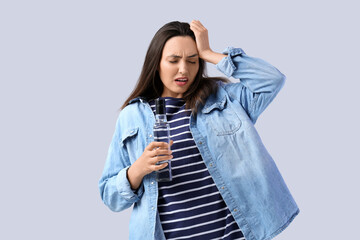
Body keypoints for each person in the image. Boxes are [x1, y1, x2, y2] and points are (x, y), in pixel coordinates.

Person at [99, 20, 299, 240]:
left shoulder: (226, 99)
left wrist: (209, 52)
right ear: (156, 63)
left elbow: (272, 80)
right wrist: (137, 170)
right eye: (173, 60)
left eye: (193, 61)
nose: (183, 69)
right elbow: (110, 196)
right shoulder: (131, 116)